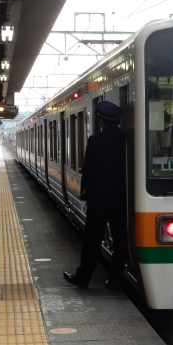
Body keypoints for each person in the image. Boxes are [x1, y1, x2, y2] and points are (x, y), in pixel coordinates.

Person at [64, 101, 128, 289]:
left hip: (99, 200)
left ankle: (83, 278)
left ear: (101, 121)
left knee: (92, 241)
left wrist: (85, 197)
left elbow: (88, 172)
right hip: (121, 200)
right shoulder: (126, 139)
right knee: (120, 241)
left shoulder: (95, 141)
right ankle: (115, 279)